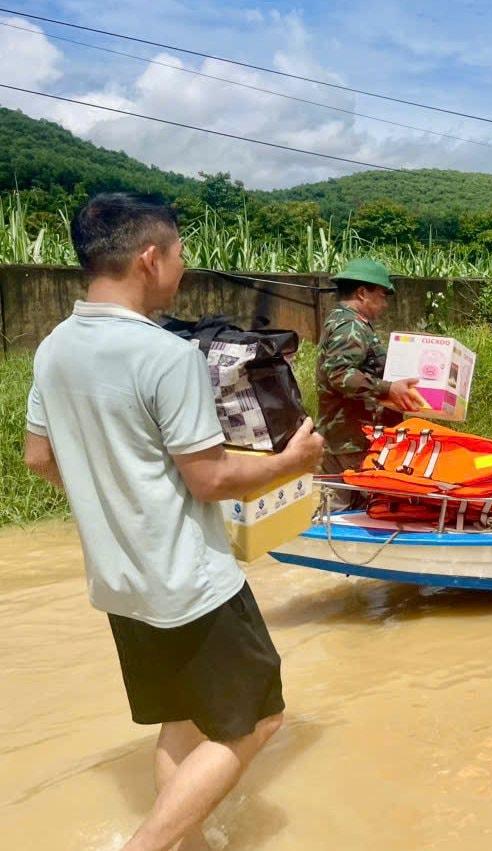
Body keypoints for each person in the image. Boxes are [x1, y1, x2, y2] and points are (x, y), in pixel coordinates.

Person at [24, 193, 325, 850]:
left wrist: (115, 496)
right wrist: (295, 461)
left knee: (182, 720)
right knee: (260, 719)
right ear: (149, 257)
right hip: (188, 580)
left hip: (119, 581)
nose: (183, 271)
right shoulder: (165, 354)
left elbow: (39, 456)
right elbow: (211, 477)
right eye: (181, 256)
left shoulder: (53, 349)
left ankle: (186, 843)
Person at [315, 257, 424, 507]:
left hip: (343, 436)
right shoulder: (350, 326)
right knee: (367, 509)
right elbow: (339, 373)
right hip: (353, 440)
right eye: (383, 295)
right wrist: (388, 389)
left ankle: (323, 545)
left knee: (336, 511)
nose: (385, 304)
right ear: (363, 293)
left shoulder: (343, 321)